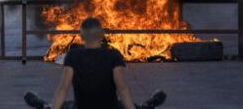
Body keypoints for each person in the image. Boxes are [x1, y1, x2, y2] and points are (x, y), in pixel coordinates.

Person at [24, 17, 166, 109]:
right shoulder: (113, 55)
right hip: (110, 107)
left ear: (82, 36)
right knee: (128, 106)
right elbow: (122, 89)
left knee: (63, 106)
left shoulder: (73, 56)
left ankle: (42, 105)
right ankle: (149, 104)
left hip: (81, 106)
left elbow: (64, 88)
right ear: (102, 35)